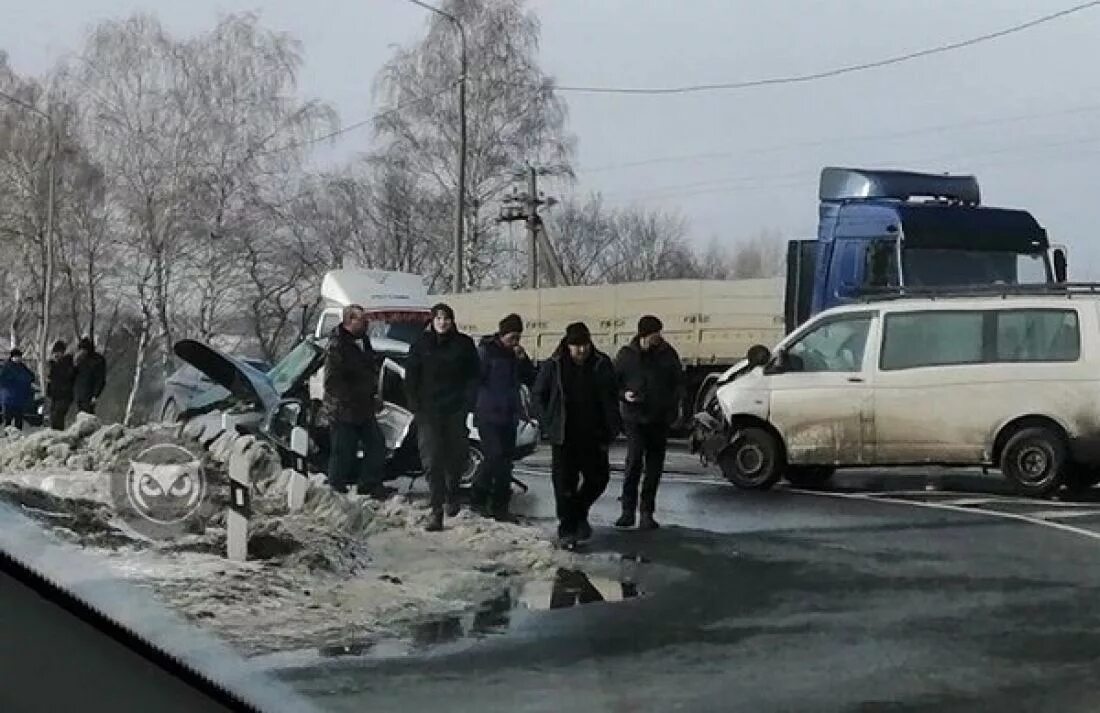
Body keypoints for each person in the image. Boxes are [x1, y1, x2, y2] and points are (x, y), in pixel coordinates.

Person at [532, 322, 620, 549]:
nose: (581, 351)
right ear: (568, 345)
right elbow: (538, 395)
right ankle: (567, 528)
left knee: (598, 479)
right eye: (576, 346)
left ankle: (578, 514)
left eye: (585, 345)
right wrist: (547, 425)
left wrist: (613, 428)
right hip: (564, 434)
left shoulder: (601, 364)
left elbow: (610, 398)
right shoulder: (555, 365)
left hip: (594, 433)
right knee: (564, 484)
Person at [406, 303, 480, 532]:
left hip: (455, 409)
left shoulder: (464, 344)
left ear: (452, 321)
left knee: (456, 456)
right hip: (428, 411)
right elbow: (411, 377)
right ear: (432, 321)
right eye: (438, 318)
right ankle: (436, 509)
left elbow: (474, 375)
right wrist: (415, 405)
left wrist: (468, 402)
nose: (442, 322)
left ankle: (452, 493)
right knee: (432, 458)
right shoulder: (421, 345)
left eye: (447, 318)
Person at [613, 315, 684, 530]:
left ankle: (646, 512)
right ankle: (627, 511)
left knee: (654, 467)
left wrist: (675, 406)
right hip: (634, 417)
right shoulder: (626, 356)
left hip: (659, 418)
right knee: (634, 462)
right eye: (654, 334)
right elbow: (612, 383)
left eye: (659, 334)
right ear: (644, 335)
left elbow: (679, 382)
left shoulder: (667, 354)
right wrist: (625, 395)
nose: (658, 338)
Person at [472, 313, 537, 521]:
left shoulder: (515, 355)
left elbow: (531, 378)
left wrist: (523, 359)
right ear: (502, 335)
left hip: (509, 415)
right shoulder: (486, 352)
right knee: (495, 457)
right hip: (488, 413)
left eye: (518, 338)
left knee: (506, 462)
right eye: (511, 338)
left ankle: (500, 506)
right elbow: (474, 380)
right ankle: (479, 496)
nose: (515, 342)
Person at [323, 304, 389, 498]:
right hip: (343, 408)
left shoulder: (363, 341)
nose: (366, 323)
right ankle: (336, 487)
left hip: (364, 407)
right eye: (362, 319)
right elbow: (332, 381)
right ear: (349, 320)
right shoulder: (337, 345)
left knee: (377, 445)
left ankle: (369, 484)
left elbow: (368, 368)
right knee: (343, 450)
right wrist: (351, 397)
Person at [0, 349, 35, 430]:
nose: (18, 358)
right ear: (12, 357)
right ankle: (8, 437)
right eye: (16, 357)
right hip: (9, 399)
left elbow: (31, 376)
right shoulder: (7, 367)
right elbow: (2, 380)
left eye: (19, 357)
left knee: (19, 421)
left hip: (19, 399)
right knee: (8, 421)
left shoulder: (22, 367)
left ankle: (17, 437)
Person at [73, 337, 107, 415]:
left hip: (89, 394)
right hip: (79, 394)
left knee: (88, 416)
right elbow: (73, 376)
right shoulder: (79, 360)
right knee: (81, 416)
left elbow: (100, 379)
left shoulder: (97, 360)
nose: (81, 352)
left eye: (83, 349)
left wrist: (95, 394)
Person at [46, 340, 75, 430]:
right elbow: (51, 380)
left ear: (62, 353)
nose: (55, 355)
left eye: (57, 353)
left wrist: (55, 367)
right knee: (53, 417)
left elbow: (66, 377)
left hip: (64, 395)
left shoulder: (67, 364)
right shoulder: (54, 365)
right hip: (54, 395)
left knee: (58, 417)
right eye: (54, 353)